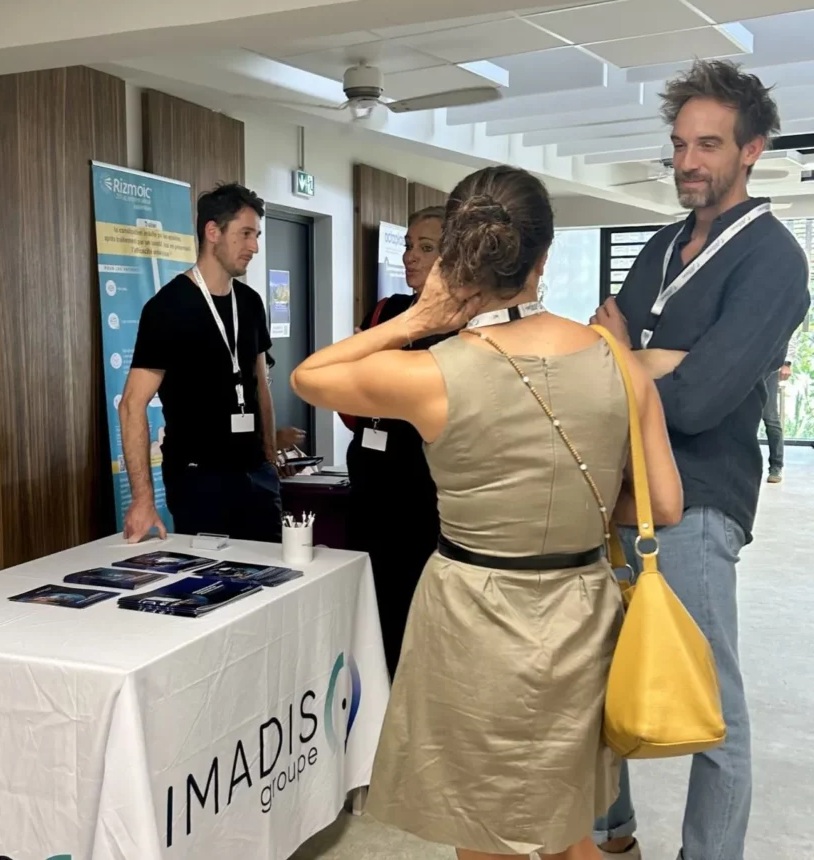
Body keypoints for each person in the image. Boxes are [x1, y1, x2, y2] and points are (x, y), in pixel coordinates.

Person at [292, 166, 683, 860]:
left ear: (456, 258)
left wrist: (420, 317)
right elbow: (667, 504)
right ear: (543, 255)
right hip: (579, 604)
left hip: (471, 609)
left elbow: (309, 376)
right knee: (569, 829)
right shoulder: (616, 362)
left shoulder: (434, 371)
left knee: (481, 831)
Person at [593, 59, 810, 860]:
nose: (687, 161)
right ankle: (610, 838)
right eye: (679, 144)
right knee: (602, 685)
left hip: (697, 506)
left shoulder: (774, 262)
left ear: (750, 150)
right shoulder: (659, 241)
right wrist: (649, 357)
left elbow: (698, 402)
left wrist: (629, 355)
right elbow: (603, 345)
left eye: (707, 145)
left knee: (711, 710)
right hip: (617, 496)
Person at [119, 183, 281, 543]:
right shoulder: (168, 307)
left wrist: (270, 457)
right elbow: (132, 404)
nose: (254, 246)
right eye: (245, 234)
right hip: (199, 479)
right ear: (212, 232)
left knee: (273, 583)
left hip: (256, 476)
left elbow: (260, 384)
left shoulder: (251, 303)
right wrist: (143, 500)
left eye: (257, 235)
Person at [345, 205, 450, 677]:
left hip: (426, 493)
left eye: (425, 248)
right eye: (409, 246)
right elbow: (348, 390)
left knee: (419, 604)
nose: (411, 256)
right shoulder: (387, 312)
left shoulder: (464, 324)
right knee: (373, 600)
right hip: (371, 482)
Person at [763, 328, 799, 484]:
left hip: (771, 366)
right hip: (747, 365)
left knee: (770, 416)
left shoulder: (779, 304)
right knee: (740, 418)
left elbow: (790, 331)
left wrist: (787, 363)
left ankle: (776, 466)